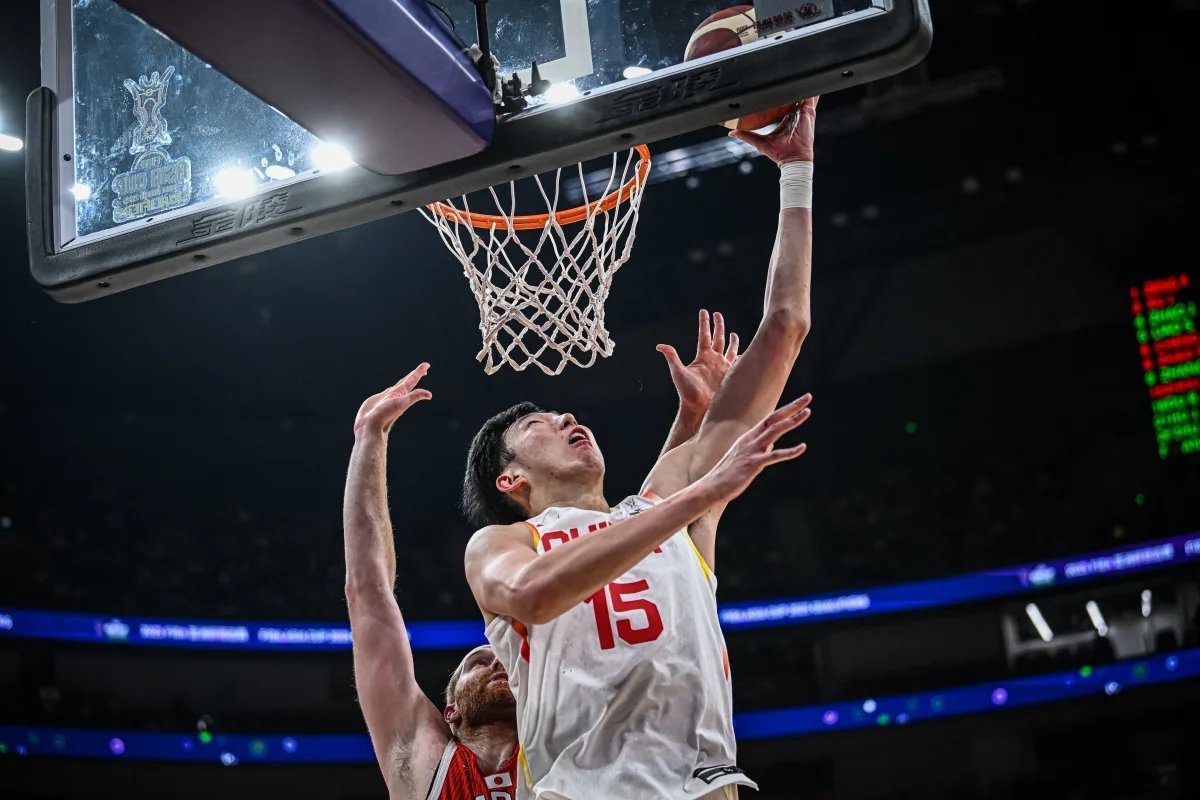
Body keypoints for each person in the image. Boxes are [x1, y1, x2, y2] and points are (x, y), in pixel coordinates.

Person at [461, 98, 820, 800]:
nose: (566, 417)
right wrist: (702, 491)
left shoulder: (665, 504)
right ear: (509, 479)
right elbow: (534, 597)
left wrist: (797, 172)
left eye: (564, 411)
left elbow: (786, 326)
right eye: (538, 423)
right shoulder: (507, 543)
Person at [342, 312, 743, 799]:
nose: (496, 662)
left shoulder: (577, 746)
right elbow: (369, 594)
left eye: (501, 658)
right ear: (450, 711)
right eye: (476, 661)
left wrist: (694, 420)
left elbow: (650, 548)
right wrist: (369, 438)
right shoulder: (423, 761)